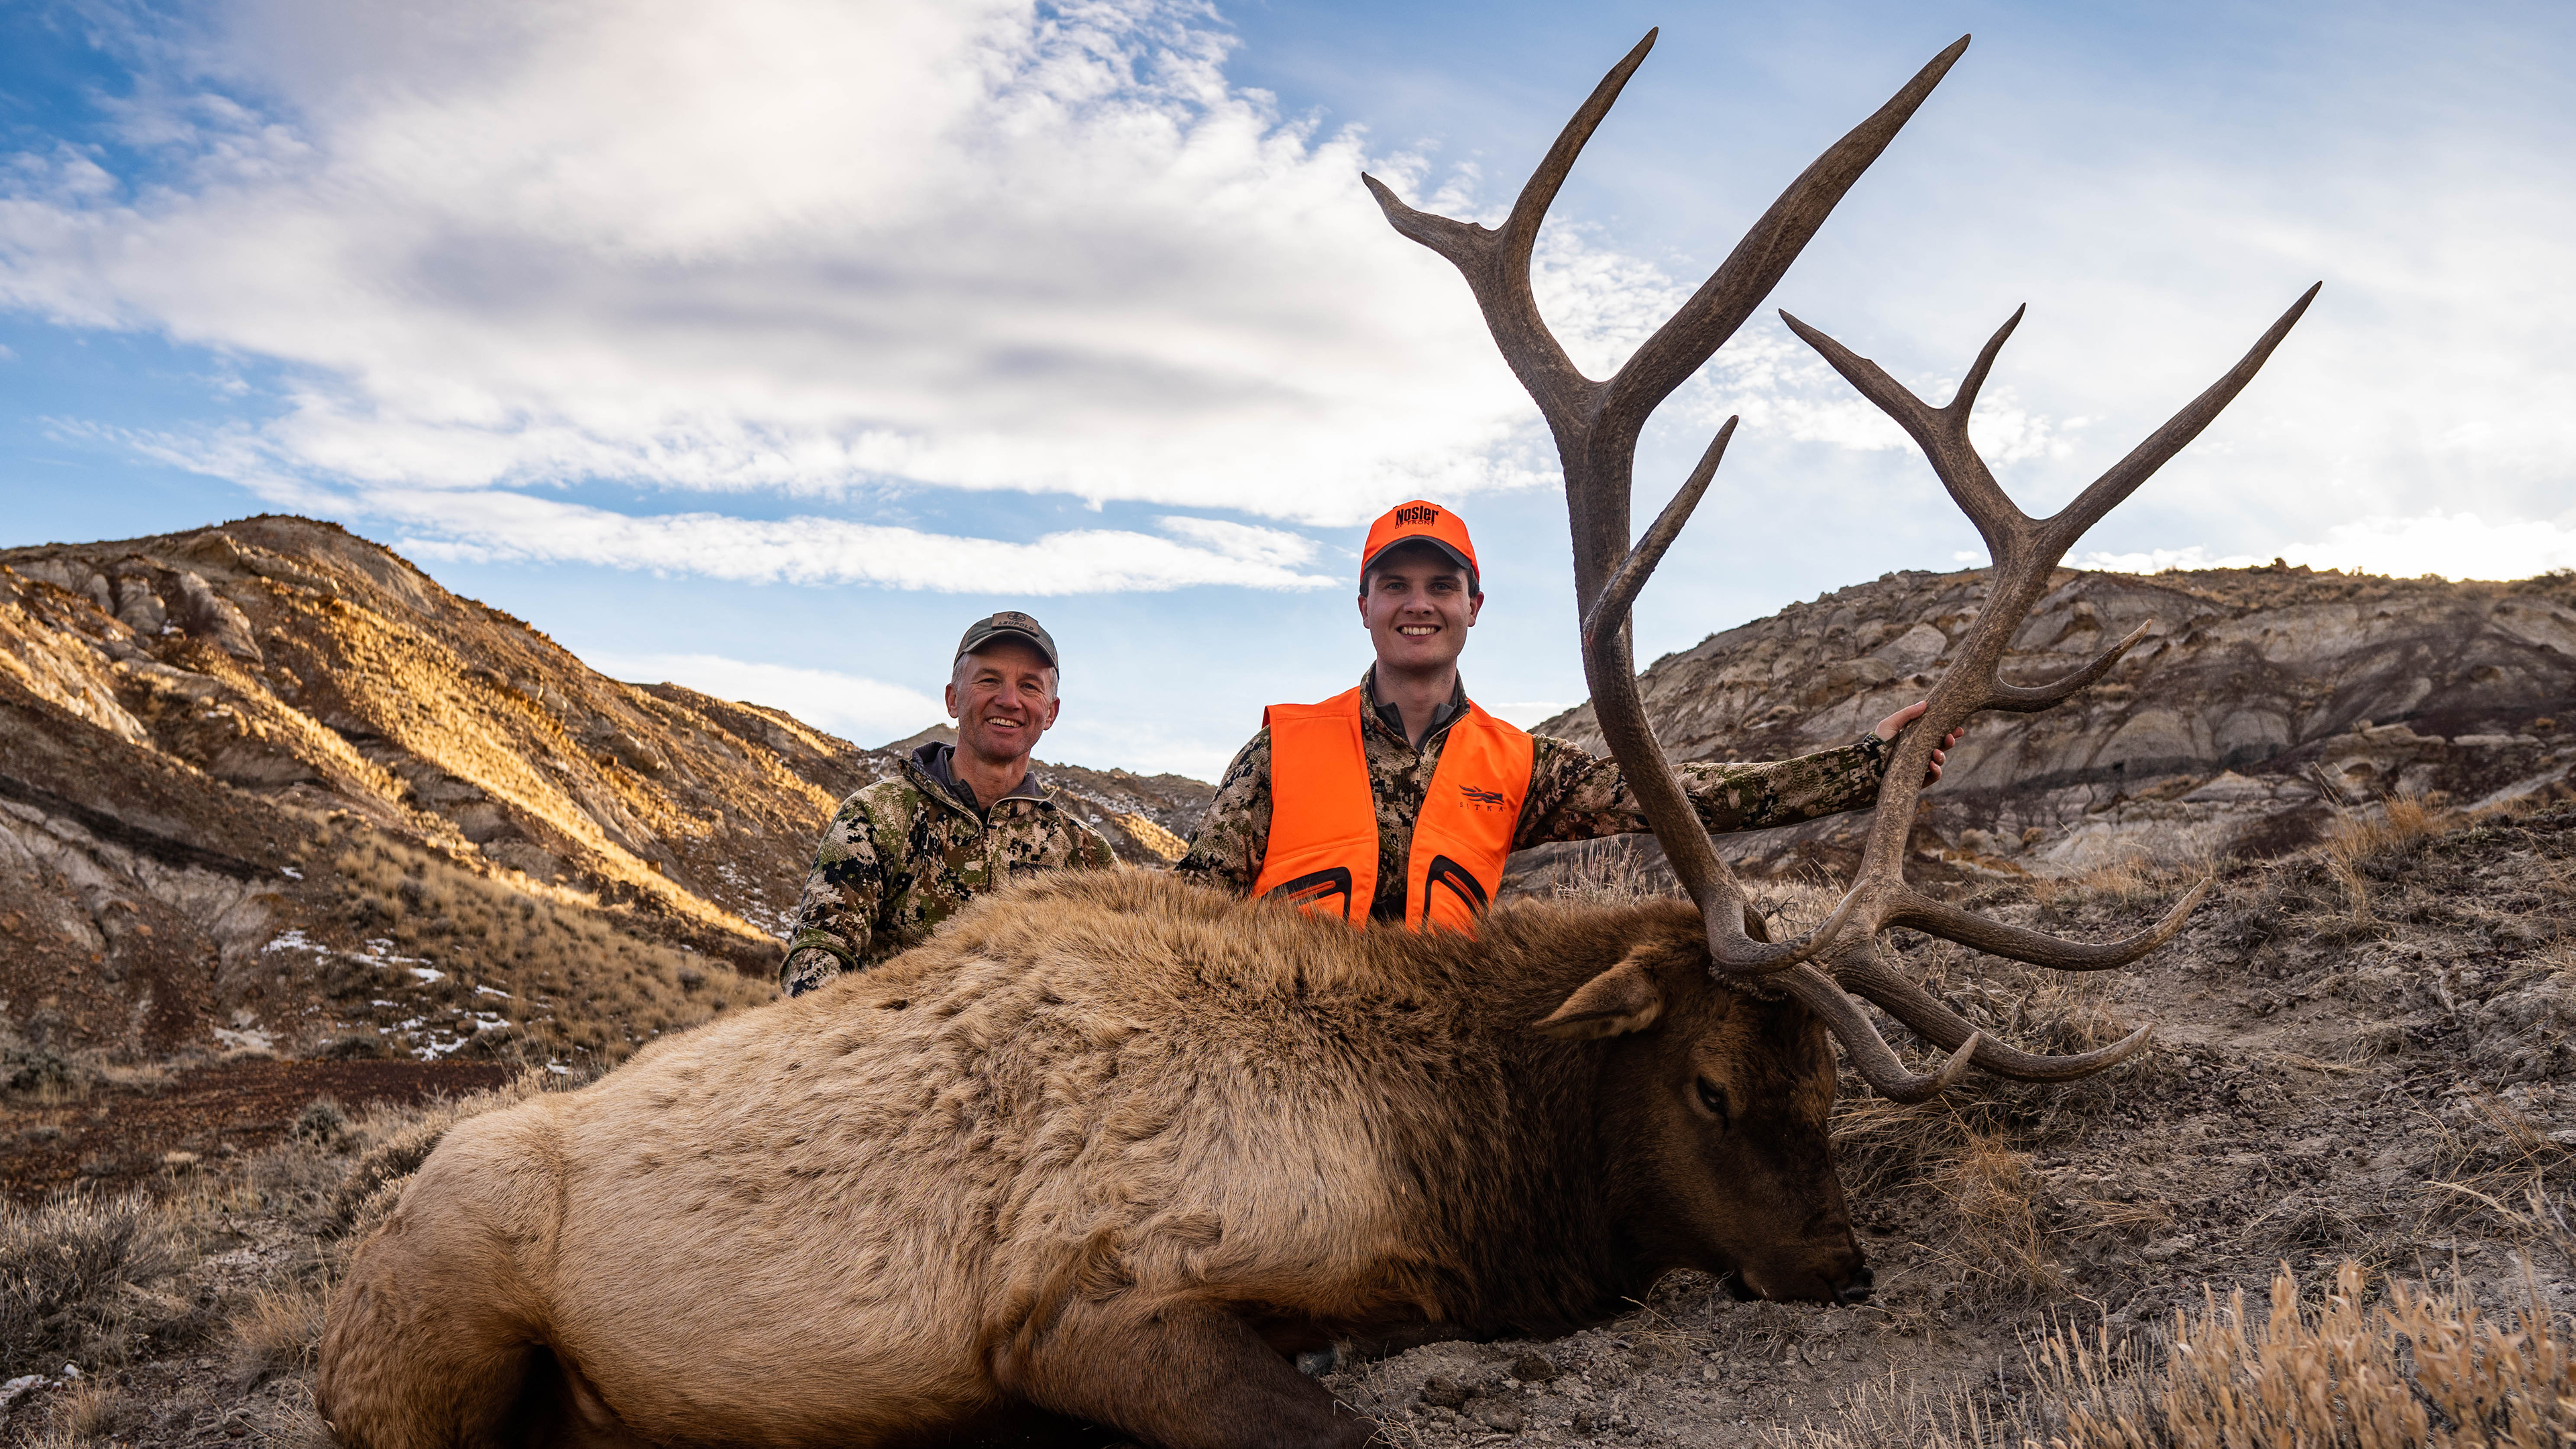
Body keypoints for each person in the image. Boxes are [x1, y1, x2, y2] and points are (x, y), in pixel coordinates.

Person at [1176, 500, 1958, 927]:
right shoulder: (1284, 748)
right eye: (1397, 585)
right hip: (1277, 1071)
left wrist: (1862, 768)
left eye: (1440, 586)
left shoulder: (1520, 765)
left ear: (1473, 606)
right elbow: (1188, 911)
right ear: (1365, 606)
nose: (1419, 604)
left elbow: (1680, 793)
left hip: (1428, 1063)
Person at [778, 612, 1115, 996]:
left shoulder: (1086, 857)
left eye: (1029, 686)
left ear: (1050, 713)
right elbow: (818, 957)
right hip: (891, 1050)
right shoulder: (877, 817)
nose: (1009, 701)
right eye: (989, 680)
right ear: (953, 699)